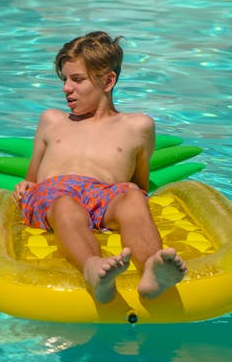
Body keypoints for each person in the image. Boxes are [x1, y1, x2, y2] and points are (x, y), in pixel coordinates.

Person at [13, 31, 186, 303]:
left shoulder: (137, 126)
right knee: (65, 204)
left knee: (132, 199)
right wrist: (25, 186)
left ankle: (152, 269)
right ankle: (91, 267)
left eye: (77, 80)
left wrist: (131, 192)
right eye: (65, 80)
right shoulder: (52, 120)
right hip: (54, 195)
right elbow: (32, 179)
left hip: (103, 193)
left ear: (108, 80)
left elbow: (140, 183)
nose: (66, 88)